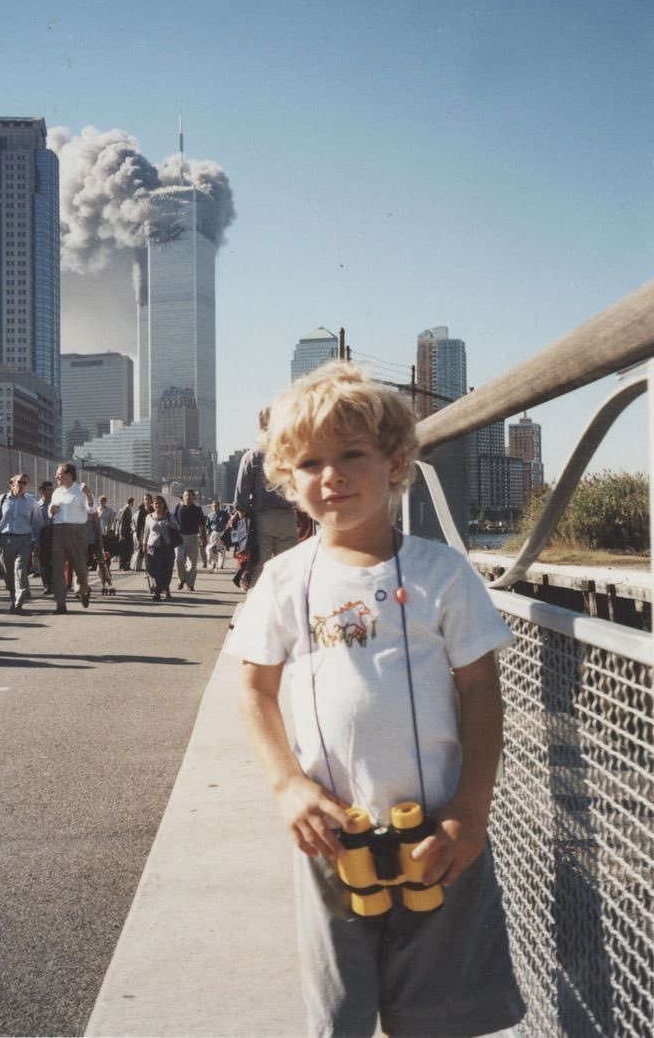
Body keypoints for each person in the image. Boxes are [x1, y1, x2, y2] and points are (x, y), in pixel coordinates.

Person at [229, 362, 525, 1038]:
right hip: (334, 837)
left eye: (350, 455)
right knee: (339, 1016)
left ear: (396, 464)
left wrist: (471, 812)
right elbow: (253, 686)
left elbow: (481, 692)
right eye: (308, 462)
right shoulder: (283, 580)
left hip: (439, 836)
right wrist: (287, 786)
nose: (329, 475)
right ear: (286, 478)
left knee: (441, 1017)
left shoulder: (441, 573)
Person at [234, 407, 297, 587]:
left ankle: (257, 607)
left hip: (261, 518)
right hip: (287, 517)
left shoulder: (251, 456)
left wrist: (243, 512)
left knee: (258, 567)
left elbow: (241, 496)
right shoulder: (290, 454)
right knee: (288, 568)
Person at [0, 473, 43, 613]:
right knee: (8, 573)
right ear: (12, 483)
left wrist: (37, 542)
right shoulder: (3, 499)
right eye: (20, 482)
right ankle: (14, 598)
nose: (22, 485)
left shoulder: (32, 501)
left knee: (20, 569)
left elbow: (37, 523)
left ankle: (19, 599)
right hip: (6, 540)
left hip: (24, 540)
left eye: (25, 483)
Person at [49, 462, 94, 614]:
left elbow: (91, 509)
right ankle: (60, 603)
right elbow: (51, 512)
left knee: (80, 567)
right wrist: (51, 510)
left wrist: (88, 494)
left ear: (68, 475)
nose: (56, 477)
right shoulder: (56, 492)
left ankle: (82, 590)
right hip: (59, 531)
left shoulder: (81, 490)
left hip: (77, 532)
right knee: (58, 569)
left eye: (59, 474)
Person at [142, 496, 179, 601]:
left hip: (167, 546)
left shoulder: (169, 515)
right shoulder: (149, 517)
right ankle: (157, 592)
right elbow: (146, 532)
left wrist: (170, 524)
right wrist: (144, 545)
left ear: (163, 504)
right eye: (155, 503)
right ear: (152, 505)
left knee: (167, 569)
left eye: (159, 503)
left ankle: (166, 588)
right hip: (153, 547)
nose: (157, 505)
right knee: (154, 569)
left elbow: (177, 527)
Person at [173, 489, 206, 591]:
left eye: (190, 496)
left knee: (192, 563)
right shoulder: (178, 507)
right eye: (186, 495)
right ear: (183, 497)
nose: (188, 497)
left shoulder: (197, 509)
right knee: (179, 559)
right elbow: (172, 522)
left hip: (193, 537)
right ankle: (181, 579)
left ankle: (190, 583)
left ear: (193, 497)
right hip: (180, 537)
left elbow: (202, 525)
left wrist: (203, 538)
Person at [37, 481, 55, 594]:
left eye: (52, 489)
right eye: (48, 490)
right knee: (44, 562)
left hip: (56, 533)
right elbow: (35, 525)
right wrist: (36, 542)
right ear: (42, 491)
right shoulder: (37, 506)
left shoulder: (57, 504)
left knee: (57, 562)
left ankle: (59, 584)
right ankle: (48, 585)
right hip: (43, 535)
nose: (51, 492)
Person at [206, 499, 230, 570]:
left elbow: (228, 522)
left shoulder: (224, 513)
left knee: (222, 549)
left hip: (222, 533)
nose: (214, 507)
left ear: (219, 506)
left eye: (216, 506)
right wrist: (208, 535)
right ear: (211, 507)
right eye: (213, 506)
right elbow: (207, 526)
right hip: (214, 534)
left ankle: (221, 565)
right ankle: (214, 562)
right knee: (212, 549)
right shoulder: (209, 515)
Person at [116, 497, 136, 570]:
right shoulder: (125, 510)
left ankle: (126, 565)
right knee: (124, 550)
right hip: (125, 534)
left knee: (127, 550)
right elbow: (122, 523)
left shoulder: (127, 510)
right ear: (132, 502)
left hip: (127, 533)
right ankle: (122, 565)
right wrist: (122, 534)